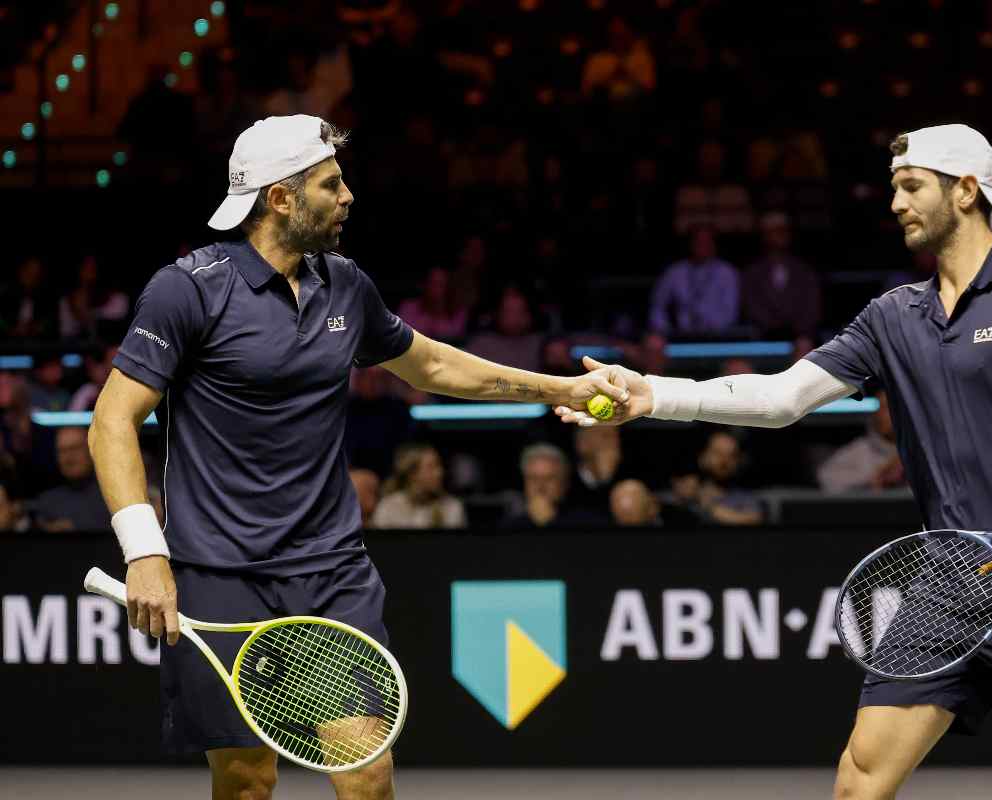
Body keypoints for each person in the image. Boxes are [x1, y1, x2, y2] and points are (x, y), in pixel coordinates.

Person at [555, 124, 992, 798]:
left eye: (911, 187)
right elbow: (782, 398)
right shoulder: (892, 317)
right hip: (949, 586)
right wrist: (654, 396)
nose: (895, 203)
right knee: (860, 781)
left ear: (967, 191)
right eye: (894, 189)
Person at [88, 114, 629, 800]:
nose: (348, 197)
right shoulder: (188, 290)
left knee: (368, 774)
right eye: (330, 184)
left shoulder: (345, 284)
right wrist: (144, 552)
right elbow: (111, 421)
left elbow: (433, 366)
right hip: (219, 571)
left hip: (329, 569)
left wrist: (563, 388)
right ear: (279, 198)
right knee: (247, 780)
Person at [741, 212, 822, 339]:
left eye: (783, 230)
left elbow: (812, 307)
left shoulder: (805, 271)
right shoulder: (752, 273)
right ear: (764, 235)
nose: (781, 235)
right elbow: (751, 307)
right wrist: (775, 330)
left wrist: (801, 332)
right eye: (775, 231)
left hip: (800, 340)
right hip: (764, 339)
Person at [649, 225, 740, 335]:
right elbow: (657, 306)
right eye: (698, 241)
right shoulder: (674, 272)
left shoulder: (727, 273)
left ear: (714, 245)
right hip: (680, 335)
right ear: (690, 244)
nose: (702, 246)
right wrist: (665, 330)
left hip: (717, 335)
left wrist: (712, 328)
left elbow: (730, 312)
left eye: (706, 242)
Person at [816, 391, 905, 494]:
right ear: (875, 414)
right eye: (885, 408)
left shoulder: (918, 449)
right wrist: (877, 476)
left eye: (897, 408)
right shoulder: (860, 450)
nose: (892, 414)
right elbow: (826, 478)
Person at [31, 427, 110, 532]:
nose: (68, 458)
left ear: (91, 450)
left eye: (75, 449)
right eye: (62, 451)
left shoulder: (113, 497)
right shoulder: (46, 503)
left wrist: (75, 528)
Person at [372, 443, 466, 529]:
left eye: (439, 466)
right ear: (412, 474)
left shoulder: (452, 507)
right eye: (431, 467)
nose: (440, 473)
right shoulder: (388, 507)